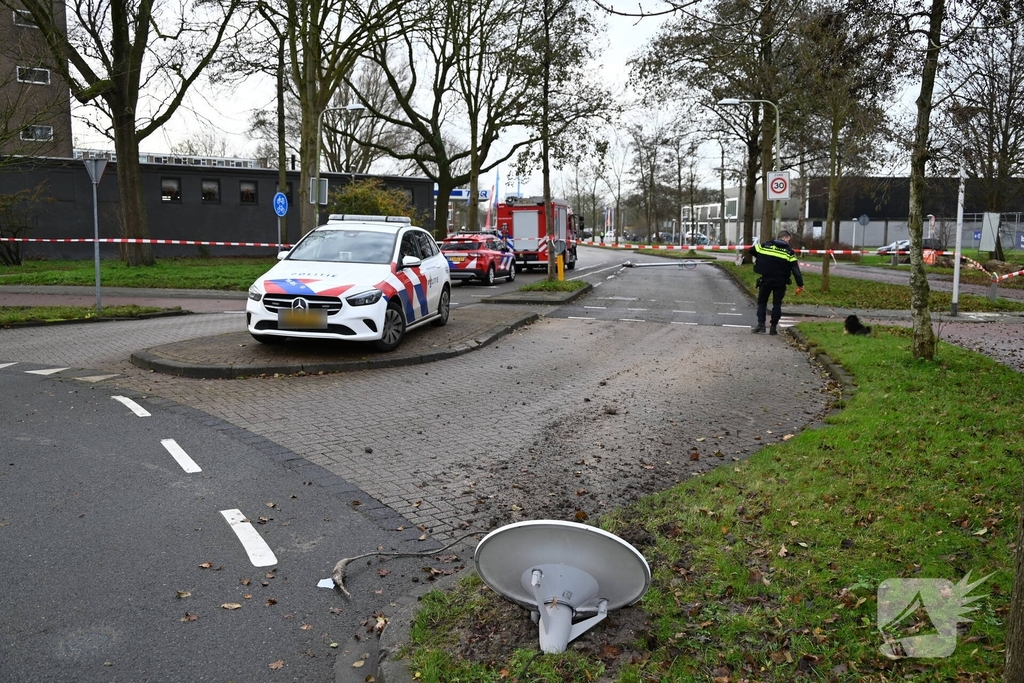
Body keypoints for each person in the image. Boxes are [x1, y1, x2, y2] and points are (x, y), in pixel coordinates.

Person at [748, 230, 804, 335]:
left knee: (762, 302)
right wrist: (800, 284)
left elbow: (751, 250)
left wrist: (762, 258)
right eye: (788, 240)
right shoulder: (789, 251)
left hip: (766, 279)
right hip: (781, 281)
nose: (788, 242)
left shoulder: (765, 246)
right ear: (784, 238)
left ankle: (761, 325)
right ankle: (773, 328)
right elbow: (796, 269)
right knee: (777, 304)